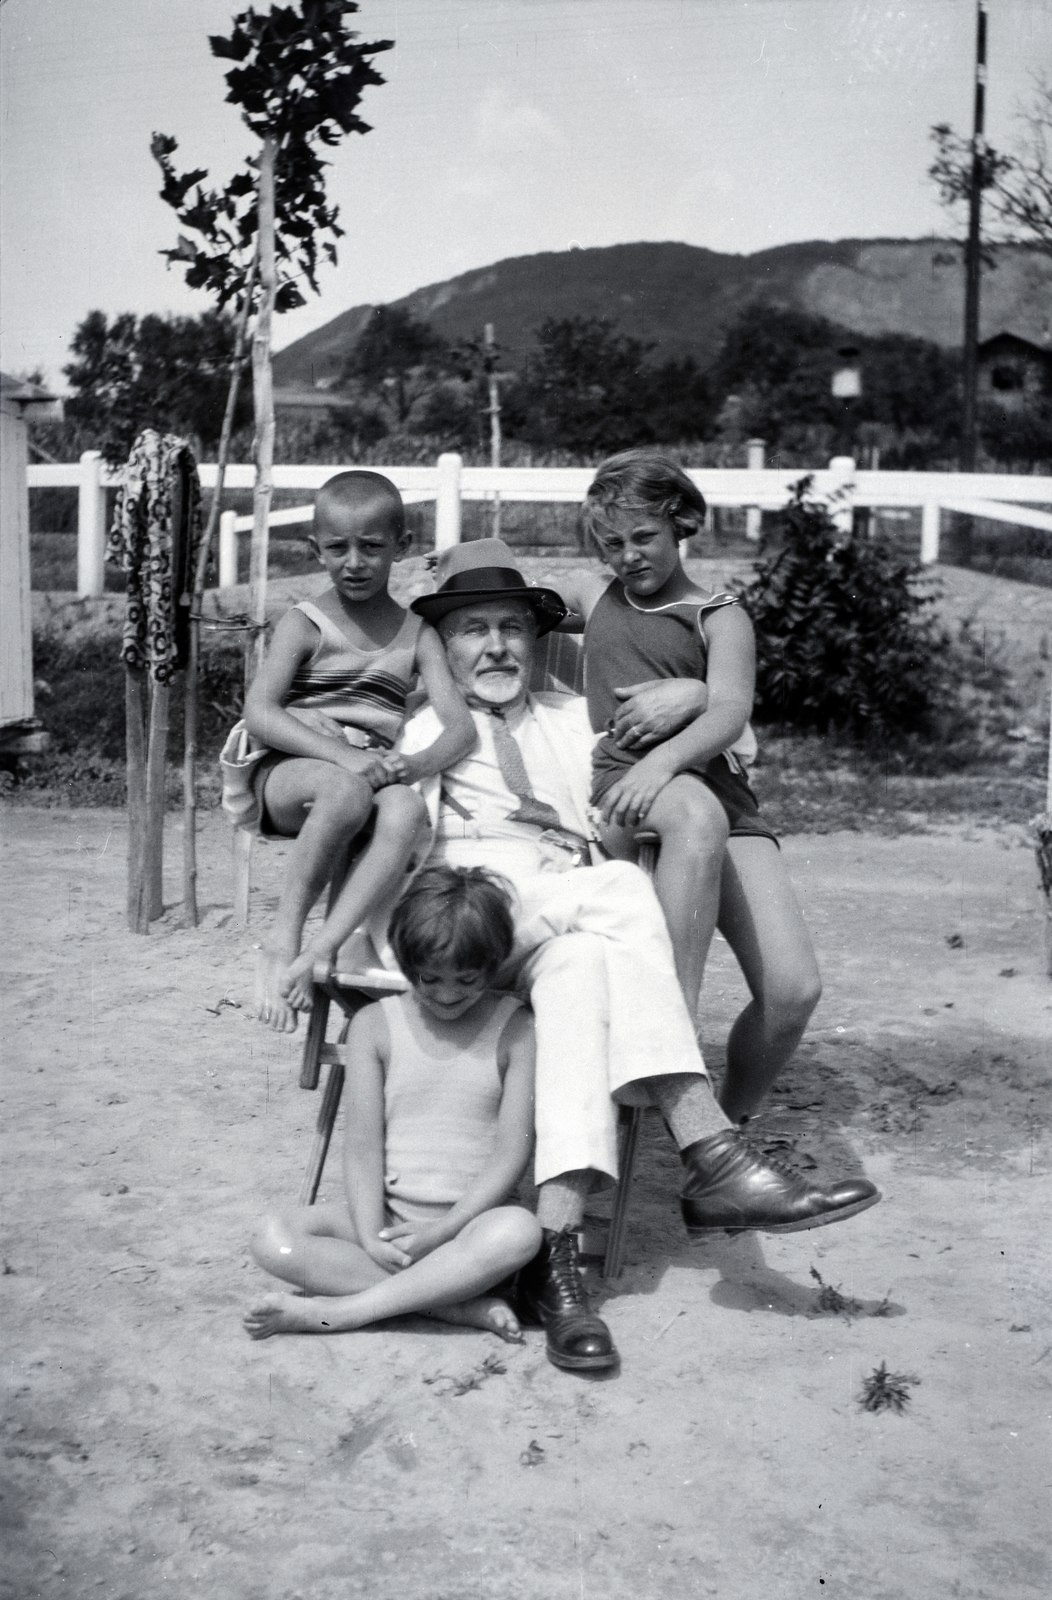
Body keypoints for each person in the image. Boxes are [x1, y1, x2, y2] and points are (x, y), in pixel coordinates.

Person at [398, 539, 879, 1373]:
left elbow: (736, 740)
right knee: (622, 893)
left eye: (513, 628)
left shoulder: (573, 719)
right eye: (473, 630)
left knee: (588, 964)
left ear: (542, 640)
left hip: (565, 919)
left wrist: (697, 687)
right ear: (443, 647)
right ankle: (709, 1145)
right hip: (469, 918)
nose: (498, 647)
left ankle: (559, 1265)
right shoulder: (425, 729)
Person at [557, 449, 823, 1126]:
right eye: (611, 542)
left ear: (684, 525)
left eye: (644, 537)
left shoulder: (719, 615)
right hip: (626, 784)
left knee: (793, 990)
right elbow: (513, 604)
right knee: (687, 813)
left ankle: (726, 1131)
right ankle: (664, 1029)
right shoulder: (596, 596)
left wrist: (683, 724)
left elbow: (732, 712)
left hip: (716, 794)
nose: (628, 557)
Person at [244, 864, 542, 1344]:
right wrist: (368, 1233)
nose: (447, 995)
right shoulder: (373, 1025)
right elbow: (363, 1146)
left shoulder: (516, 1029)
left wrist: (447, 1229)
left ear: (493, 965)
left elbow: (511, 1152)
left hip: (469, 1232)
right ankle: (454, 1306)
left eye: (467, 981)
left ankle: (341, 1313)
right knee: (272, 1237)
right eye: (430, 978)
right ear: (406, 964)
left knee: (520, 1230)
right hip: (389, 1223)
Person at [229, 471, 476, 1035]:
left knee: (408, 811)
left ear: (402, 548)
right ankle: (282, 938)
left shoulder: (418, 633)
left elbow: (458, 730)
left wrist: (411, 766)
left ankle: (325, 948)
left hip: (366, 780)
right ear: (316, 549)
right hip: (287, 774)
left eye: (372, 547)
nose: (354, 562)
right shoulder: (305, 622)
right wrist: (342, 757)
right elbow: (260, 712)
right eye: (337, 548)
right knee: (345, 789)